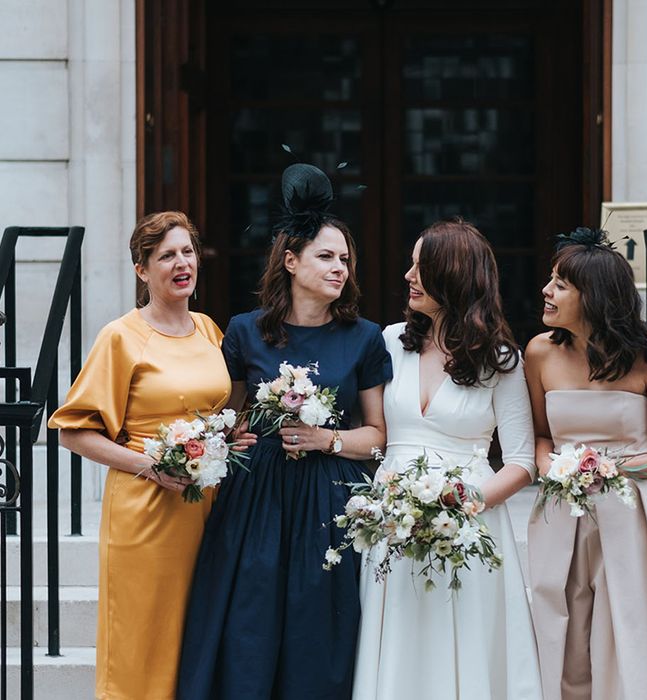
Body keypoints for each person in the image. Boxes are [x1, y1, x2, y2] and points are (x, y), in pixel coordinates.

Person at [177, 163, 392, 700]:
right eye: (326, 256)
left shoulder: (364, 338)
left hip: (331, 498)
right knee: (250, 621)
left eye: (345, 259)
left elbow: (379, 436)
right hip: (257, 500)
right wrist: (233, 436)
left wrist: (328, 440)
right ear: (291, 261)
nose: (339, 267)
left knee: (318, 630)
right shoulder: (246, 331)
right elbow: (229, 417)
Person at [353, 219, 543, 700]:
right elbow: (372, 432)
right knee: (399, 637)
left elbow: (522, 461)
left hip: (468, 523)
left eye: (421, 266)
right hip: (393, 520)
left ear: (453, 276)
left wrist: (465, 503)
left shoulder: (500, 359)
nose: (408, 275)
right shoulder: (390, 341)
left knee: (462, 638)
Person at [48, 212, 231, 699]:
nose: (181, 263)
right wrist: (151, 466)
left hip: (206, 508)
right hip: (145, 514)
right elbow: (72, 432)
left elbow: (221, 411)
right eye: (166, 255)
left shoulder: (210, 330)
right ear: (141, 269)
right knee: (140, 641)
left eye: (187, 252)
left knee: (194, 638)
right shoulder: (121, 336)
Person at [524, 228, 647, 700]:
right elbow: (540, 435)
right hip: (562, 509)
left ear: (593, 296)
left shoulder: (646, 357)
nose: (546, 290)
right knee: (562, 625)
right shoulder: (539, 352)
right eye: (551, 279)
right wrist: (553, 468)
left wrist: (617, 469)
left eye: (560, 284)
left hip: (631, 511)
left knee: (631, 630)